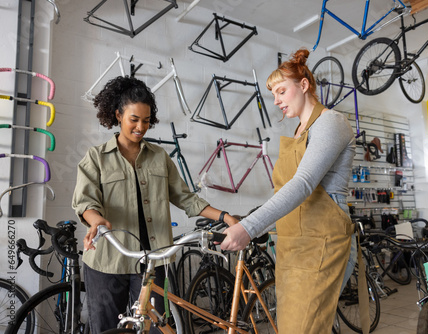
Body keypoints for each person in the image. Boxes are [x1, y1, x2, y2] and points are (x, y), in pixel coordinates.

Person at [72, 76, 238, 334]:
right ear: (118, 115)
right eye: (134, 119)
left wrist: (224, 216)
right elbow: (85, 201)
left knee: (157, 327)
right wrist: (96, 220)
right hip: (108, 261)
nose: (141, 127)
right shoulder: (96, 157)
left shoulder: (159, 157)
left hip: (152, 261)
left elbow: (186, 197)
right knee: (105, 329)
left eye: (146, 120)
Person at [220, 48, 357, 333]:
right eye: (273, 94)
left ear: (304, 85)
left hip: (323, 242)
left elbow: (303, 183)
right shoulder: (299, 132)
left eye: (281, 91)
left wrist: (249, 227)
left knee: (304, 327)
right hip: (293, 244)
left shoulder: (331, 123)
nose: (276, 101)